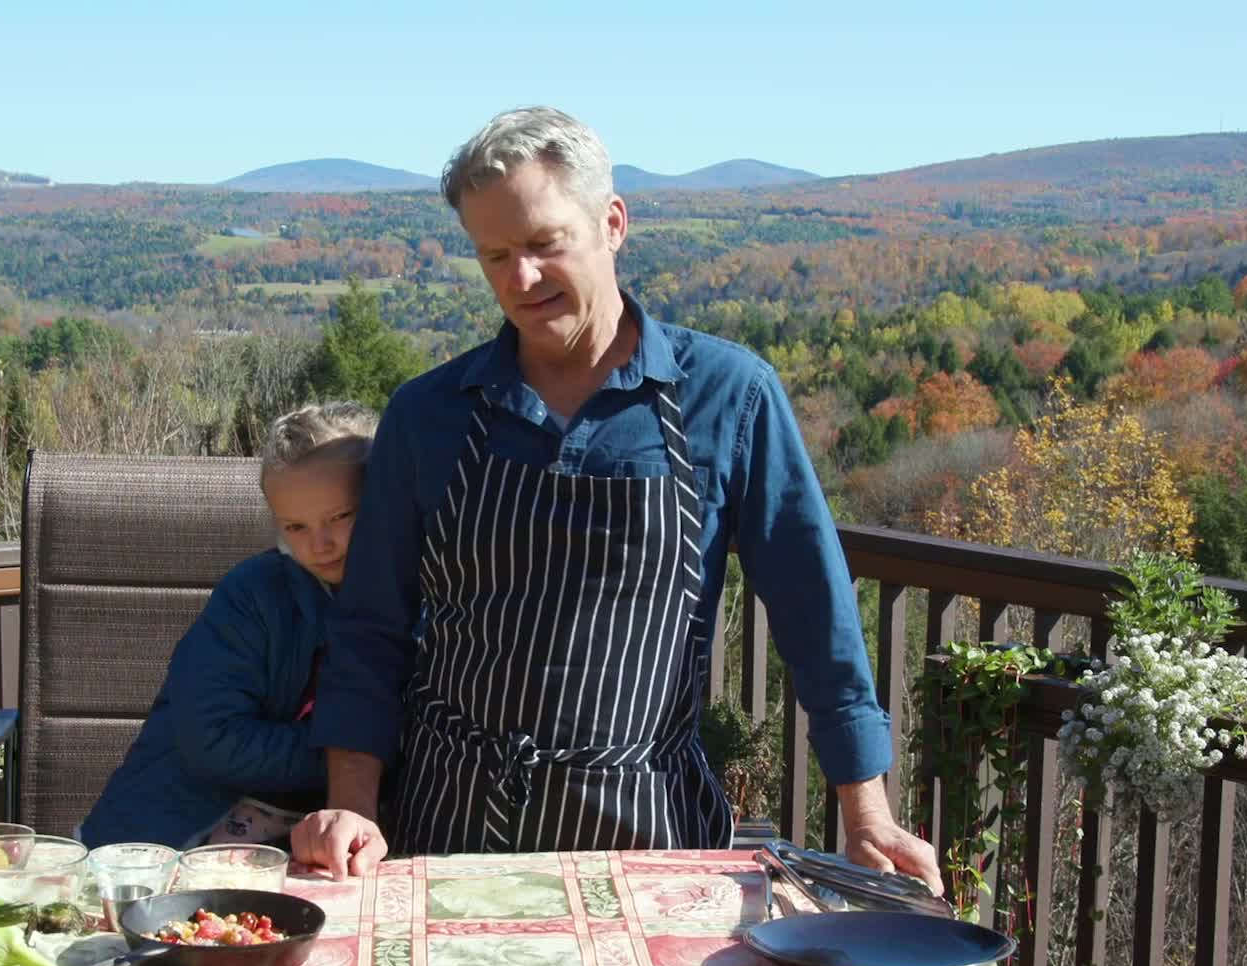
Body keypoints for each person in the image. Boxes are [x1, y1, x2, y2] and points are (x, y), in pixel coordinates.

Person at [291, 106, 941, 894]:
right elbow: (370, 630)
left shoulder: (728, 397)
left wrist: (866, 816)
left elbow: (817, 620)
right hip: (449, 824)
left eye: (542, 244)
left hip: (650, 830)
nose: (519, 280)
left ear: (613, 222)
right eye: (493, 255)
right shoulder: (429, 414)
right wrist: (351, 807)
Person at [80, 401, 378, 851]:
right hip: (158, 842)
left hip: (294, 849)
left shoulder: (410, 597)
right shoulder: (252, 596)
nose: (320, 544)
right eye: (295, 526)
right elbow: (213, 738)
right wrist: (358, 754)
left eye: (340, 517)